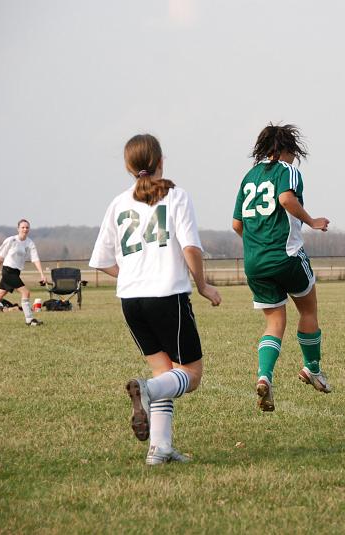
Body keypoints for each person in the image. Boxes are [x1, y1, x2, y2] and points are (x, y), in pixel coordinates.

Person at [89, 134, 222, 465]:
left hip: (131, 301)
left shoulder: (118, 203)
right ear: (161, 161)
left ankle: (159, 449)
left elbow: (102, 260)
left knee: (165, 373)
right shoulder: (176, 196)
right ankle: (145, 391)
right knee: (190, 377)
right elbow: (190, 246)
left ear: (128, 167)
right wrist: (203, 285)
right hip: (167, 295)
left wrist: (135, 275)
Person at [232, 124, 332, 412]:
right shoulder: (287, 170)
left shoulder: (248, 177)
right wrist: (313, 222)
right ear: (285, 149)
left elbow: (237, 225)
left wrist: (257, 244)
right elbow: (286, 199)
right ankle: (312, 368)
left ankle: (264, 376)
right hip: (285, 254)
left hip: (255, 261)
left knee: (274, 322)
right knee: (309, 309)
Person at [0, 219, 46, 327]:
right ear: (18, 228)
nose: (25, 229)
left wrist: (42, 274)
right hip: (8, 271)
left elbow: (35, 259)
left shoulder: (30, 243)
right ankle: (30, 320)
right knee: (26, 293)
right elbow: (2, 255)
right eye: (23, 227)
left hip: (16, 272)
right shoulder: (11, 240)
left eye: (27, 227)